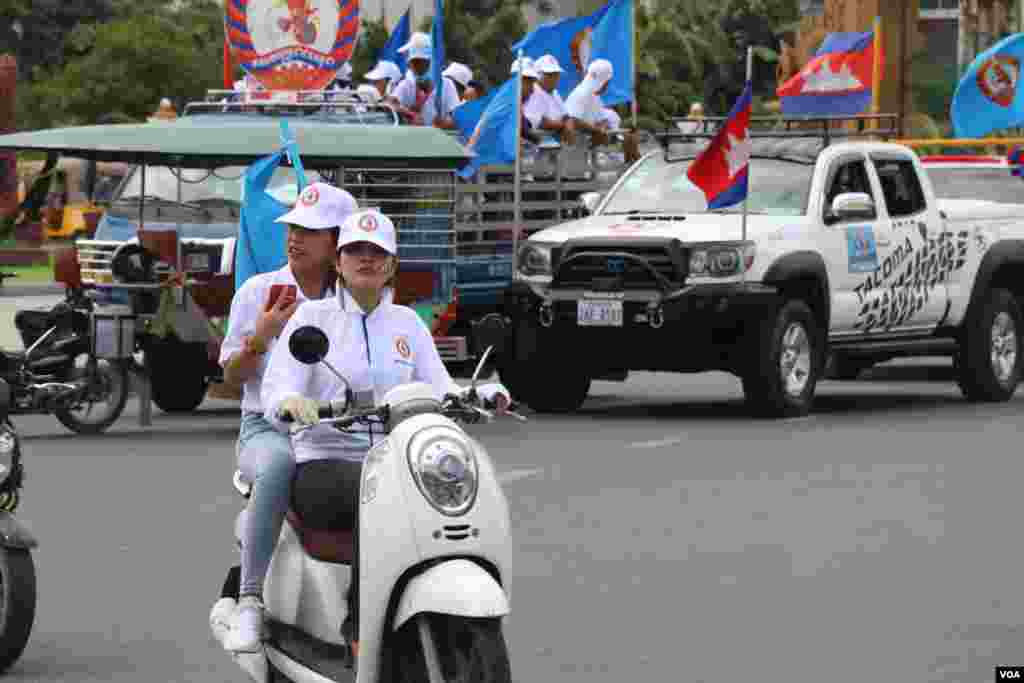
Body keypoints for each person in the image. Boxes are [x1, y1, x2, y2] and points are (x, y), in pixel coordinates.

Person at [260, 208, 511, 653]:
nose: (366, 259)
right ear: (338, 261)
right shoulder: (310, 321)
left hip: (398, 458)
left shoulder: (407, 324)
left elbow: (440, 385)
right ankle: (359, 628)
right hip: (325, 458)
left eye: (377, 252)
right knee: (373, 498)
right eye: (355, 249)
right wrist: (291, 403)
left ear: (391, 265)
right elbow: (277, 388)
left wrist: (482, 393)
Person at [218, 182, 359, 653]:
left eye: (311, 230)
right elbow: (231, 380)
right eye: (294, 227)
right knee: (279, 465)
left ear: (338, 241)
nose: (295, 237)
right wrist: (262, 334)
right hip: (267, 427)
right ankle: (250, 601)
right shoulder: (259, 291)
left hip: (337, 429)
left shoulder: (354, 301)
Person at [385, 32, 460, 128]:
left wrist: (443, 124)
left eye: (413, 62)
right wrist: (411, 114)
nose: (409, 65)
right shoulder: (408, 83)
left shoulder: (446, 84)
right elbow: (390, 104)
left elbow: (456, 118)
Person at [525, 54, 574, 143]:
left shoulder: (554, 92)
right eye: (549, 74)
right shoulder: (533, 91)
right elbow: (539, 121)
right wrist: (563, 127)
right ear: (538, 74)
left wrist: (569, 127)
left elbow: (566, 116)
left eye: (556, 74)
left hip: (556, 142)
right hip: (540, 144)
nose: (554, 78)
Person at [565, 58, 614, 146]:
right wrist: (596, 130)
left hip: (583, 149)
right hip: (572, 150)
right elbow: (573, 120)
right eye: (607, 82)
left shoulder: (595, 96)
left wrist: (602, 128)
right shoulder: (581, 93)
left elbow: (602, 119)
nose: (607, 86)